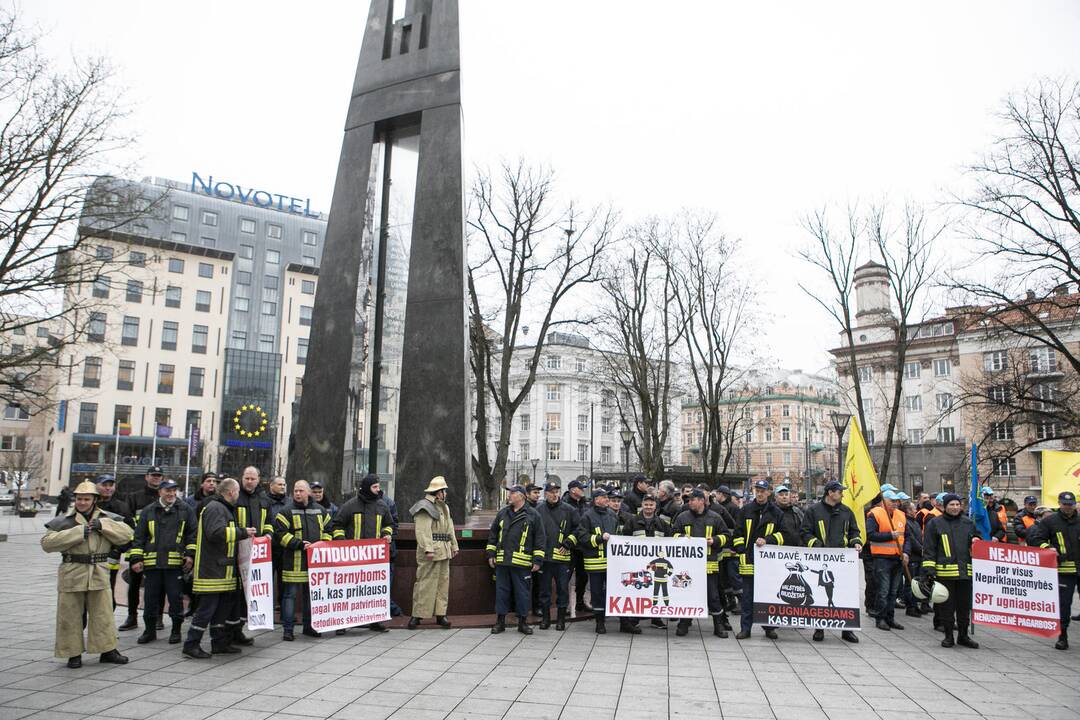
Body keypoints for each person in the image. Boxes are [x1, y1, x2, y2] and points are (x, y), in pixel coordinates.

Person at [41, 480, 134, 668]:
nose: (82, 502)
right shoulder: (65, 520)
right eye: (79, 499)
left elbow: (127, 534)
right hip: (72, 570)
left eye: (86, 499)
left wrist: (103, 526)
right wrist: (78, 532)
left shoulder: (109, 518)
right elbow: (47, 544)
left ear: (94, 500)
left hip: (99, 570)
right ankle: (72, 653)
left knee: (103, 614)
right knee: (70, 615)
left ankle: (107, 650)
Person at [184, 478, 255, 659]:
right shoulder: (216, 508)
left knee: (221, 610)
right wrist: (242, 532)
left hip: (223, 571)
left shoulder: (223, 508)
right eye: (237, 492)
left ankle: (219, 643)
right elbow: (215, 533)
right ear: (231, 492)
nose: (238, 496)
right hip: (212, 571)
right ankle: (191, 644)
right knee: (206, 609)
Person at [128, 478, 196, 645]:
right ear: (160, 492)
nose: (171, 494)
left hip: (175, 566)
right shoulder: (148, 511)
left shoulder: (185, 510)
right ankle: (149, 631)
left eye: (174, 490)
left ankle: (175, 631)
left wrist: (190, 554)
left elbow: (192, 535)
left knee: (175, 599)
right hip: (153, 565)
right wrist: (136, 558)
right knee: (150, 600)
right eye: (167, 490)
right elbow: (139, 536)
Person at [331, 473, 395, 633]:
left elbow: (390, 524)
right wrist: (343, 543)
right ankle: (342, 623)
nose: (378, 490)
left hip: (374, 560)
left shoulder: (382, 506)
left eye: (378, 487)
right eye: (375, 487)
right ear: (367, 488)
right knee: (349, 592)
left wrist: (387, 534)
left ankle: (375, 621)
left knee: (373, 591)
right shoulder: (350, 505)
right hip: (353, 558)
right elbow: (337, 525)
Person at [800, 479, 862, 643]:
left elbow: (854, 531)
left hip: (842, 560)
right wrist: (818, 545)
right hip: (821, 560)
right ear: (830, 493)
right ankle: (819, 629)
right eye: (840, 491)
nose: (842, 494)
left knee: (845, 594)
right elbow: (805, 532)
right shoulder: (813, 511)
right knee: (822, 595)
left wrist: (856, 542)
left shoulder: (847, 511)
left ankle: (847, 629)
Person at [273, 480, 332, 641]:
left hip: (314, 563)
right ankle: (288, 629)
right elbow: (280, 534)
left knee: (310, 596)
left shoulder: (320, 511)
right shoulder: (285, 511)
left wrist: (322, 544)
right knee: (289, 596)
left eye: (301, 491)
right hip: (293, 562)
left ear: (308, 493)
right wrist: (298, 544)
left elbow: (329, 529)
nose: (297, 493)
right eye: (295, 491)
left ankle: (309, 627)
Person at [922, 493, 979, 649]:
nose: (955, 508)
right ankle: (948, 636)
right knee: (947, 607)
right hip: (944, 574)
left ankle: (963, 636)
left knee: (964, 607)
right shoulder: (935, 523)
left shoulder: (968, 523)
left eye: (957, 505)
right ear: (945, 506)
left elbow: (977, 539)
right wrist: (929, 569)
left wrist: (976, 539)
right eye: (951, 505)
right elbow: (929, 548)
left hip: (965, 574)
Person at [673, 488, 733, 638]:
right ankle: (684, 622)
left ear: (701, 501)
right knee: (687, 594)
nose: (690, 502)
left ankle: (718, 625)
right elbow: (672, 534)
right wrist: (681, 538)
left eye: (692, 499)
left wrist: (715, 541)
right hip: (687, 566)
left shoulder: (715, 517)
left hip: (709, 565)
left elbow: (726, 536)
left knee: (713, 596)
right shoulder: (682, 517)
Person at [488, 485, 545, 635]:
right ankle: (500, 622)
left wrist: (538, 560)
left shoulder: (533, 515)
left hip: (522, 563)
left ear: (521, 496)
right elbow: (493, 535)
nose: (509, 495)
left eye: (512, 493)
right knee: (501, 592)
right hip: (502, 562)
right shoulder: (502, 513)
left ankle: (523, 623)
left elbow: (540, 539)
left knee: (522, 593)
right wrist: (491, 554)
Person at [733, 480, 785, 640]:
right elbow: (737, 534)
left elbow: (784, 535)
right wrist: (742, 550)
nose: (760, 493)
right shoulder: (746, 510)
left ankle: (769, 628)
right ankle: (745, 629)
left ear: (769, 492)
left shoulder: (776, 512)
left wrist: (768, 540)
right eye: (757, 490)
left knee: (768, 595)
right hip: (748, 560)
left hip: (768, 564)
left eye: (763, 490)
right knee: (748, 596)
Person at [1027, 491, 1079, 650]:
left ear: (1075, 504)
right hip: (1064, 570)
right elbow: (1036, 539)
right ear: (1059, 503)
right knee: (1064, 604)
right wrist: (1048, 547)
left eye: (1070, 504)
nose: (1068, 507)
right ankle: (1063, 636)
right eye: (1065, 504)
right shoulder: (1050, 521)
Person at [408, 476, 459, 629]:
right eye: (444, 490)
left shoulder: (444, 506)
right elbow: (423, 531)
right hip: (432, 550)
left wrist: (454, 545)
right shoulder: (424, 506)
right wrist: (428, 549)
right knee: (425, 583)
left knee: (443, 584)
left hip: (443, 549)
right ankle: (417, 615)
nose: (446, 493)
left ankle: (441, 614)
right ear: (438, 492)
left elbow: (449, 527)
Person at [119, 466, 165, 632]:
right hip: (138, 547)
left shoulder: (165, 497)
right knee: (134, 584)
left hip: (158, 548)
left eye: (159, 476)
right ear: (146, 477)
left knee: (159, 585)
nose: (156, 478)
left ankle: (158, 616)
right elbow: (128, 522)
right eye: (153, 475)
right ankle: (132, 616)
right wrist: (135, 547)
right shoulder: (134, 497)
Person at [568, 488, 617, 634]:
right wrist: (600, 538)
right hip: (595, 562)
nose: (607, 499)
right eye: (603, 497)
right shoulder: (587, 516)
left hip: (612, 563)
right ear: (596, 500)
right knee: (596, 593)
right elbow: (583, 538)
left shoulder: (612, 515)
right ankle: (599, 622)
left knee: (611, 591)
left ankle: (613, 617)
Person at [623, 494, 671, 630]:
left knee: (654, 592)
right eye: (646, 504)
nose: (648, 507)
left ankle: (656, 618)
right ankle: (635, 618)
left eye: (651, 504)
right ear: (642, 505)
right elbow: (624, 540)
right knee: (639, 591)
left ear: (655, 506)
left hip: (655, 565)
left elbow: (670, 542)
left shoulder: (662, 524)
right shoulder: (632, 521)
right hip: (637, 564)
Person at [534, 481, 576, 631]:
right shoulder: (538, 510)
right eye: (551, 492)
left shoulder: (569, 510)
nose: (554, 494)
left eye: (557, 491)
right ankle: (545, 619)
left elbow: (578, 530)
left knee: (562, 590)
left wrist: (568, 543)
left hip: (562, 560)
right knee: (544, 591)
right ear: (546, 494)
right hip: (545, 559)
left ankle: (560, 620)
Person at [866, 489, 907, 632]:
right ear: (884, 501)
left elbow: (905, 537)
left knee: (893, 591)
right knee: (883, 590)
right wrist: (890, 535)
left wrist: (906, 552)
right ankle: (880, 618)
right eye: (892, 501)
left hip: (897, 558)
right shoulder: (875, 514)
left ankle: (890, 618)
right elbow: (870, 535)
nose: (895, 503)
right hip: (882, 558)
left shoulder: (901, 515)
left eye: (896, 501)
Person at [94, 474, 133, 606]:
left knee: (107, 595)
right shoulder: (90, 504)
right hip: (89, 556)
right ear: (96, 486)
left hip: (111, 557)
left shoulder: (122, 507)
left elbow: (130, 533)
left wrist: (118, 550)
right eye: (104, 485)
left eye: (111, 485)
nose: (108, 488)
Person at [561, 479, 591, 613]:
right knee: (565, 576)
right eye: (581, 488)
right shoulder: (564, 504)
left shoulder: (585, 504)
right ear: (573, 490)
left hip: (582, 547)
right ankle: (564, 604)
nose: (583, 490)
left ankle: (580, 602)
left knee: (583, 576)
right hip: (569, 546)